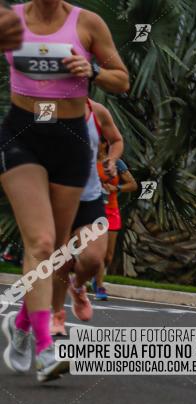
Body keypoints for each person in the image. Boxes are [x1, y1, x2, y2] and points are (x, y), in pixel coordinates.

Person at [0, 0, 129, 382]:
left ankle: (22, 325)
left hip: (72, 143)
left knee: (56, 253)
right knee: (40, 243)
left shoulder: (87, 23)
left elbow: (122, 79)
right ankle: (44, 347)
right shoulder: (12, 19)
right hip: (22, 135)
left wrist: (91, 70)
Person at [50, 98, 124, 336]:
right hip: (57, 197)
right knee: (60, 260)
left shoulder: (97, 111)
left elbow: (116, 140)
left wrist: (111, 160)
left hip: (90, 197)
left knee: (93, 259)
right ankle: (57, 316)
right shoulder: (48, 107)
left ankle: (79, 286)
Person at [92, 141, 135, 301]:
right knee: (98, 252)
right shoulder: (87, 160)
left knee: (108, 256)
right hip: (93, 211)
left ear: (104, 144)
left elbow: (133, 185)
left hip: (112, 211)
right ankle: (101, 287)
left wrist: (117, 189)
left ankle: (96, 279)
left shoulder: (116, 163)